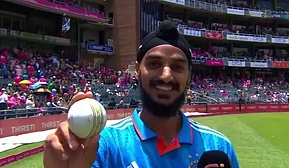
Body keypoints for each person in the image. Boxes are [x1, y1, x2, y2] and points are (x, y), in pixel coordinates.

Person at [43, 20, 240, 168]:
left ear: (189, 76)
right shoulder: (103, 147)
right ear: (137, 70)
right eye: (154, 64)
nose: (165, 75)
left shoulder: (219, 147)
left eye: (178, 67)